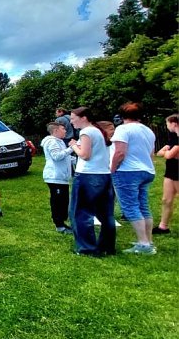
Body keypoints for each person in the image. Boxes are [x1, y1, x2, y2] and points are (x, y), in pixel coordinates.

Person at [111, 102, 157, 255]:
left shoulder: (122, 129)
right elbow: (151, 153)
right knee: (143, 206)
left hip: (128, 171)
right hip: (147, 170)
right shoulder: (148, 131)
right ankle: (148, 241)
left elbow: (120, 153)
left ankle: (143, 244)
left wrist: (112, 169)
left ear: (122, 115)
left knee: (130, 207)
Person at [68, 107, 115, 256]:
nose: (71, 121)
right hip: (104, 175)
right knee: (106, 213)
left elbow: (85, 155)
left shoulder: (86, 132)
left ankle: (87, 248)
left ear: (84, 118)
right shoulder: (97, 130)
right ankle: (106, 246)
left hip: (88, 175)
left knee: (81, 212)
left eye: (73, 118)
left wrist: (74, 146)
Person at [41, 121, 74, 233]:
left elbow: (64, 157)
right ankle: (59, 225)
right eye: (63, 129)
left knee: (64, 201)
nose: (65, 131)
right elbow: (57, 156)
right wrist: (72, 148)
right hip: (55, 176)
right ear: (55, 131)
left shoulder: (59, 142)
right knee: (58, 201)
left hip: (61, 177)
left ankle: (62, 223)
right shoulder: (52, 142)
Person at [154, 114, 179, 235]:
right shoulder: (173, 138)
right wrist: (167, 151)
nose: (167, 126)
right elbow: (160, 153)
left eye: (167, 123)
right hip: (170, 171)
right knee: (166, 199)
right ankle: (163, 226)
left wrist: (167, 151)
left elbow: (168, 155)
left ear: (174, 123)